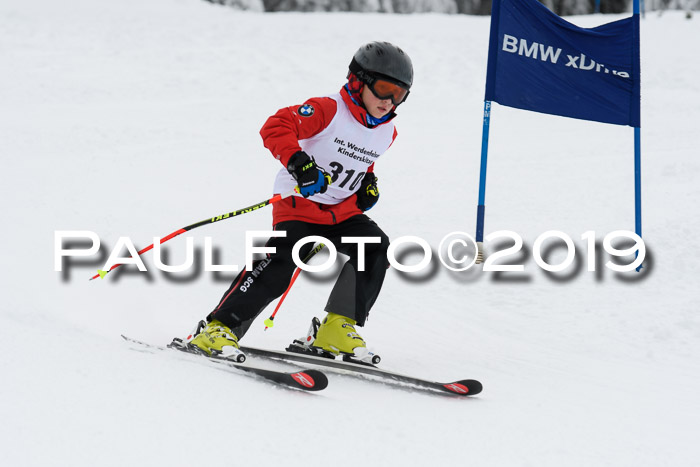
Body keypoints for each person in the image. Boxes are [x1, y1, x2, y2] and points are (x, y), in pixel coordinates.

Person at [188, 41, 413, 360]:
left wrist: (367, 183)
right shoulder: (329, 109)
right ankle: (219, 328)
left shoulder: (387, 132)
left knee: (375, 248)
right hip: (300, 205)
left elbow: (363, 159)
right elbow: (276, 126)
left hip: (342, 212)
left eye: (399, 94)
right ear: (357, 80)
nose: (389, 101)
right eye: (384, 88)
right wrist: (299, 162)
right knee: (281, 261)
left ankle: (336, 327)